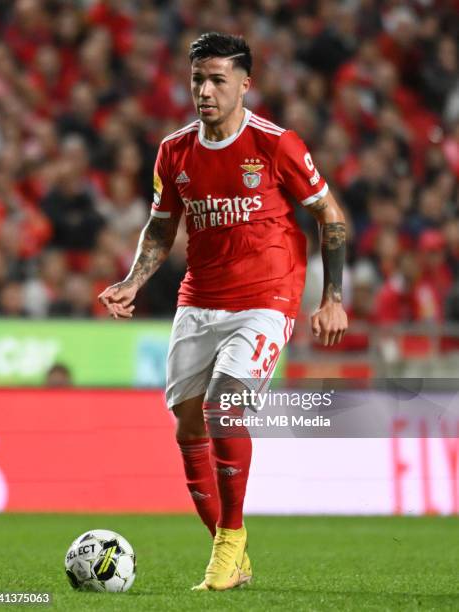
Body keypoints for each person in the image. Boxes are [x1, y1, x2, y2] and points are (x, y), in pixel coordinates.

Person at [99, 32, 348, 592]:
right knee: (188, 423)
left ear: (244, 83)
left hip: (267, 297)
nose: (205, 91)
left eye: (217, 79)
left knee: (223, 407)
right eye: (197, 80)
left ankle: (229, 540)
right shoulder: (175, 151)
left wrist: (332, 297)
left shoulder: (277, 144)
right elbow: (163, 226)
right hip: (200, 298)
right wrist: (132, 280)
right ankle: (231, 553)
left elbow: (328, 215)